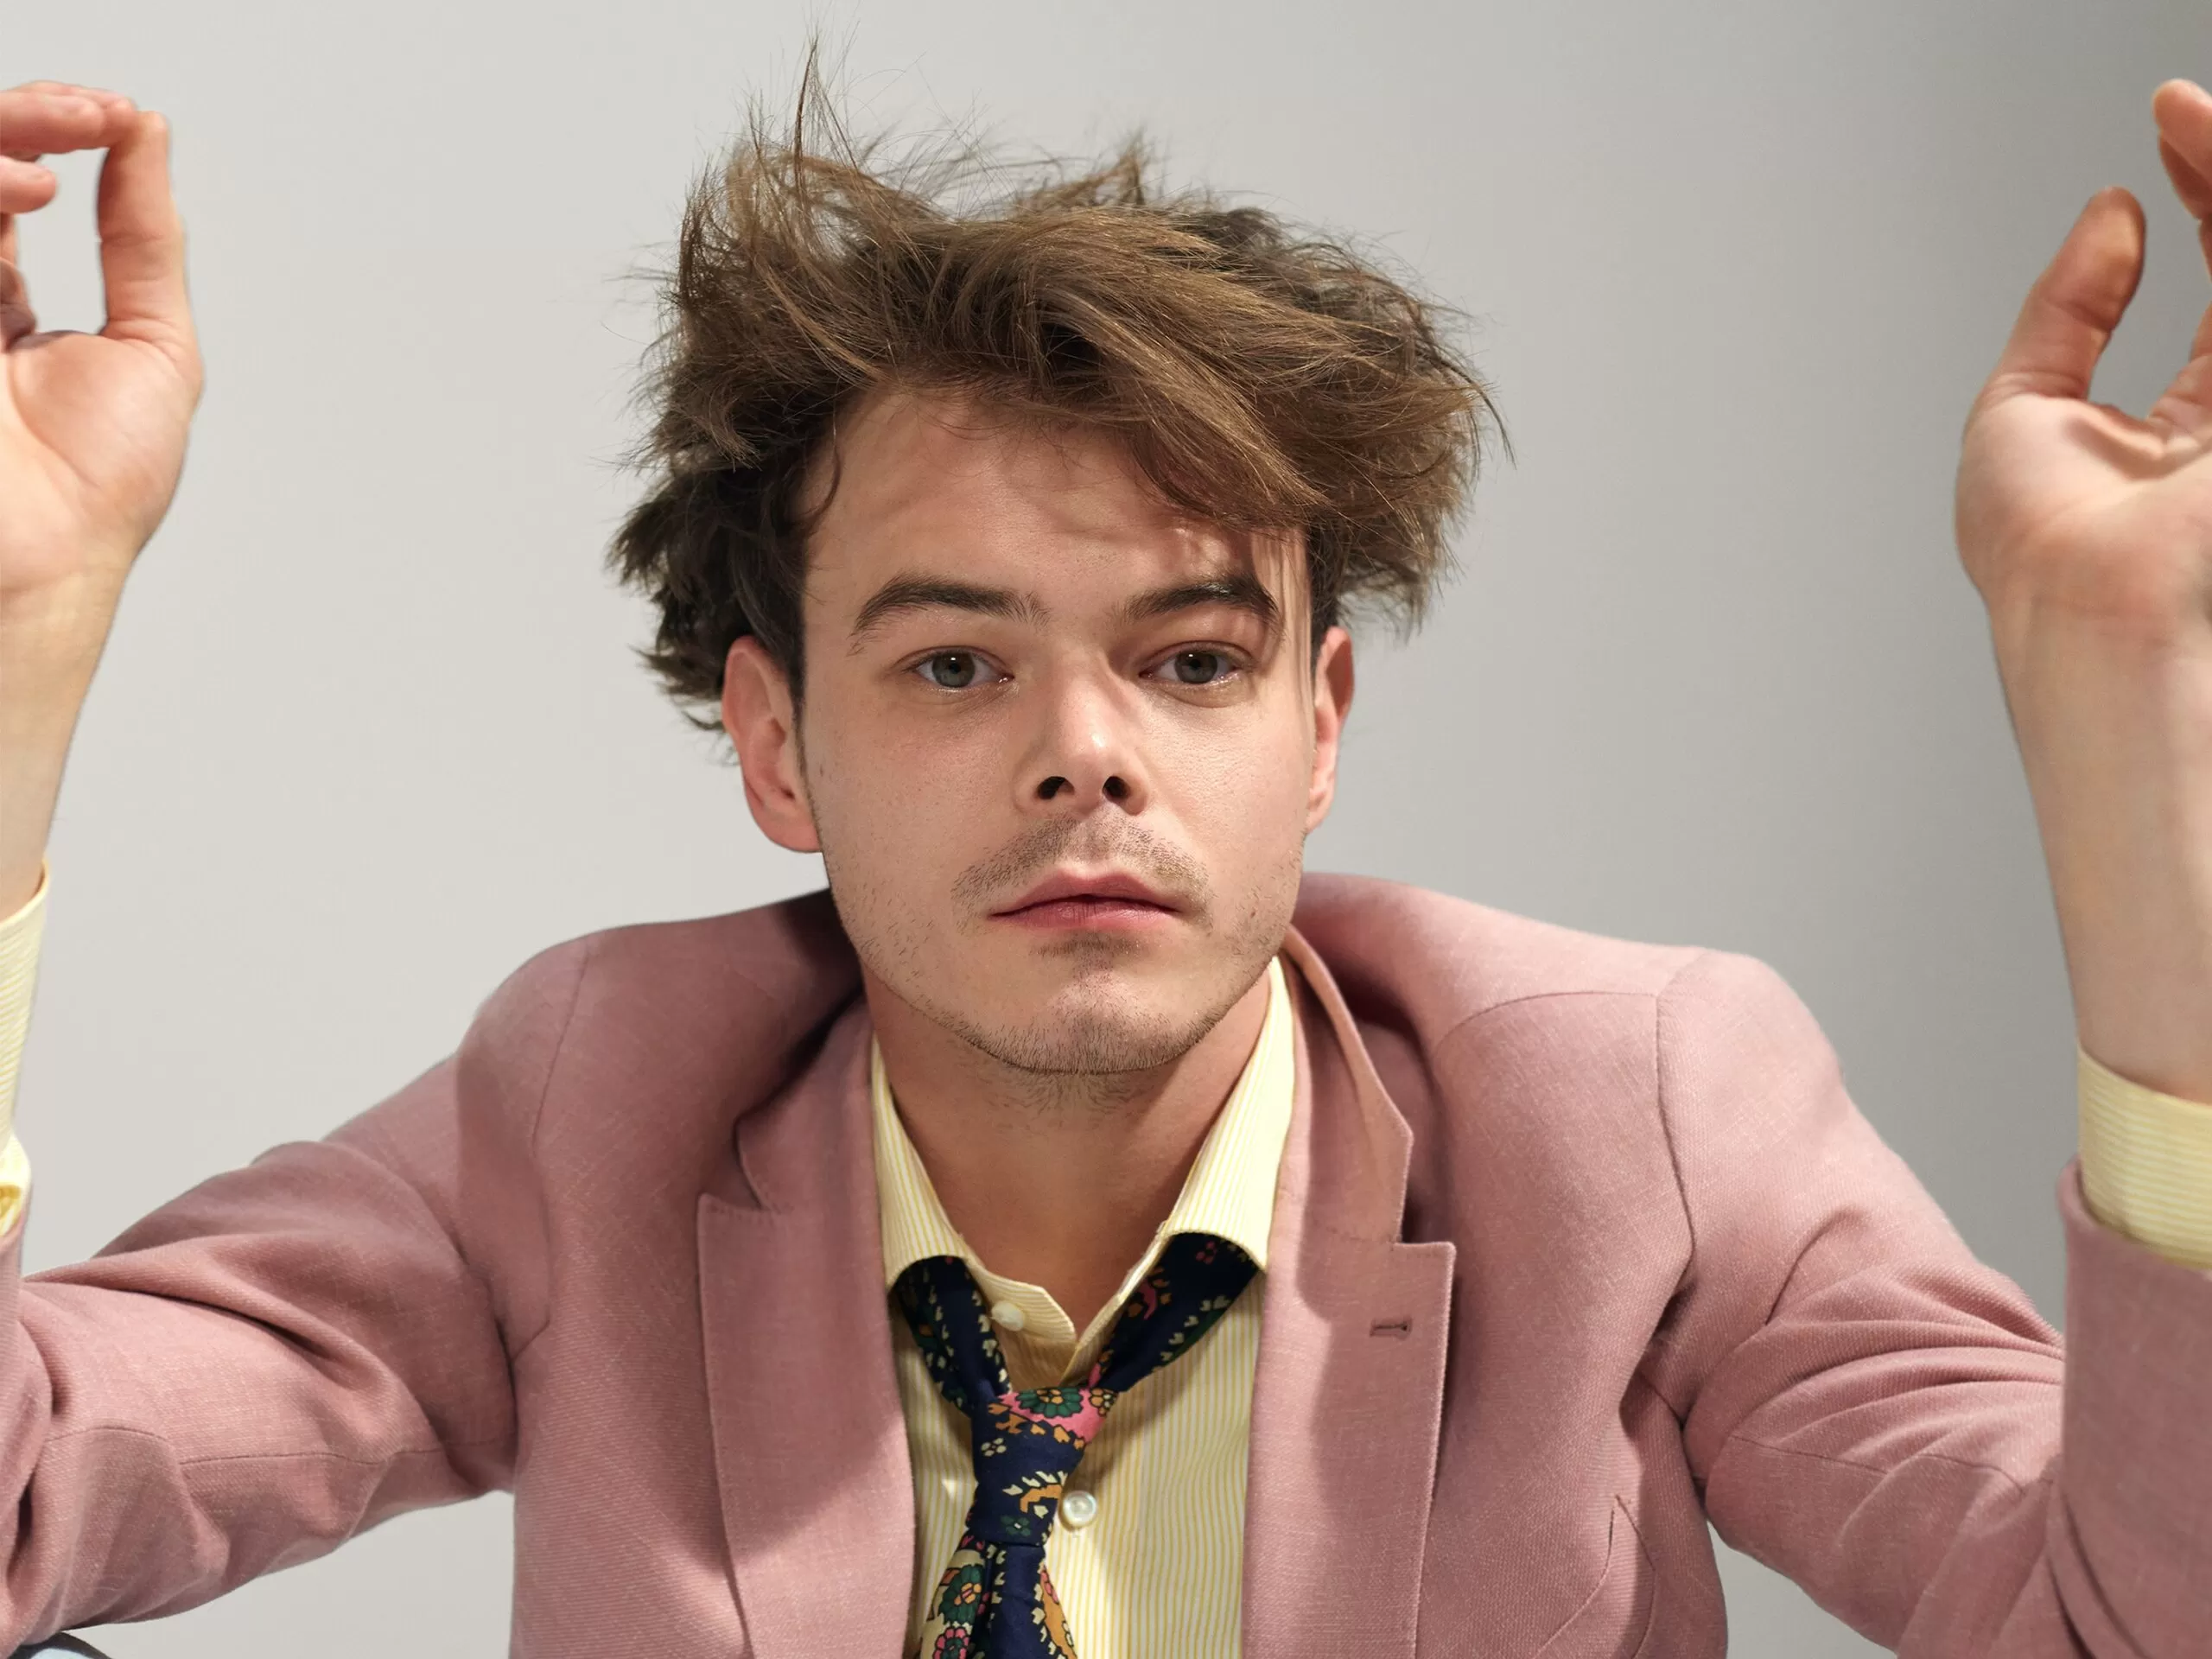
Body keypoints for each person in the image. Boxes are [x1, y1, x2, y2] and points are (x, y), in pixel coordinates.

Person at [2, 63, 2211, 1659]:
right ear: (775, 744)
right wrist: (14, 639)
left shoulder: (1629, 1113)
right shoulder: (594, 1104)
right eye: (956, 666)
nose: (1085, 757)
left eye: (1189, 661)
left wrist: (2142, 742)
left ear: (1313, 729)